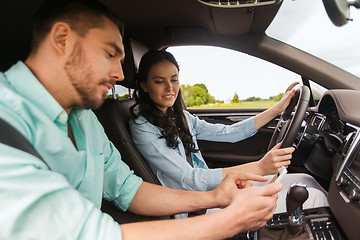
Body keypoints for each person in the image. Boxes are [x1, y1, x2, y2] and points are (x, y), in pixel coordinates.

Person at [0, 0, 284, 239]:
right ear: (62, 39)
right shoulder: (6, 119)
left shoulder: (85, 119)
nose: (120, 74)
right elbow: (89, 234)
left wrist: (215, 198)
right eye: (109, 53)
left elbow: (127, 189)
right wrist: (230, 220)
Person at [129, 50, 329, 217]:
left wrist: (277, 109)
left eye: (174, 79)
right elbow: (191, 178)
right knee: (314, 198)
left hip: (215, 191)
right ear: (144, 85)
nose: (170, 88)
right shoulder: (142, 127)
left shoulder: (181, 117)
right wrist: (259, 167)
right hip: (195, 207)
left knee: (305, 180)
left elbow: (229, 132)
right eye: (159, 81)